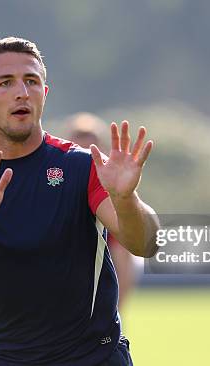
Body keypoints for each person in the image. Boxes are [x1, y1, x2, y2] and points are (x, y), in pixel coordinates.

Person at [0, 37, 159, 366]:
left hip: (96, 359)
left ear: (44, 93)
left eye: (32, 81)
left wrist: (125, 198)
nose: (22, 92)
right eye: (4, 83)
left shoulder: (82, 166)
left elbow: (147, 242)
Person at [64, 113, 136, 310]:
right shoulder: (53, 190)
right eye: (80, 150)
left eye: (91, 151)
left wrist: (115, 311)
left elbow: (124, 258)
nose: (86, 159)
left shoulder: (110, 200)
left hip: (95, 313)